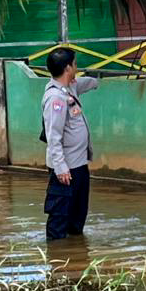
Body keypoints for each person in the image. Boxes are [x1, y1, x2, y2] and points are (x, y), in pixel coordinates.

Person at [42, 47, 98, 239]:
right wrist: (61, 168)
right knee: (59, 219)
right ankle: (57, 262)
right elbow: (53, 137)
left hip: (79, 165)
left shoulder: (69, 88)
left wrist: (99, 80)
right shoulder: (55, 98)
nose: (77, 68)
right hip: (66, 170)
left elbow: (85, 83)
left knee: (77, 217)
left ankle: (76, 258)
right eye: (75, 64)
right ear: (67, 68)